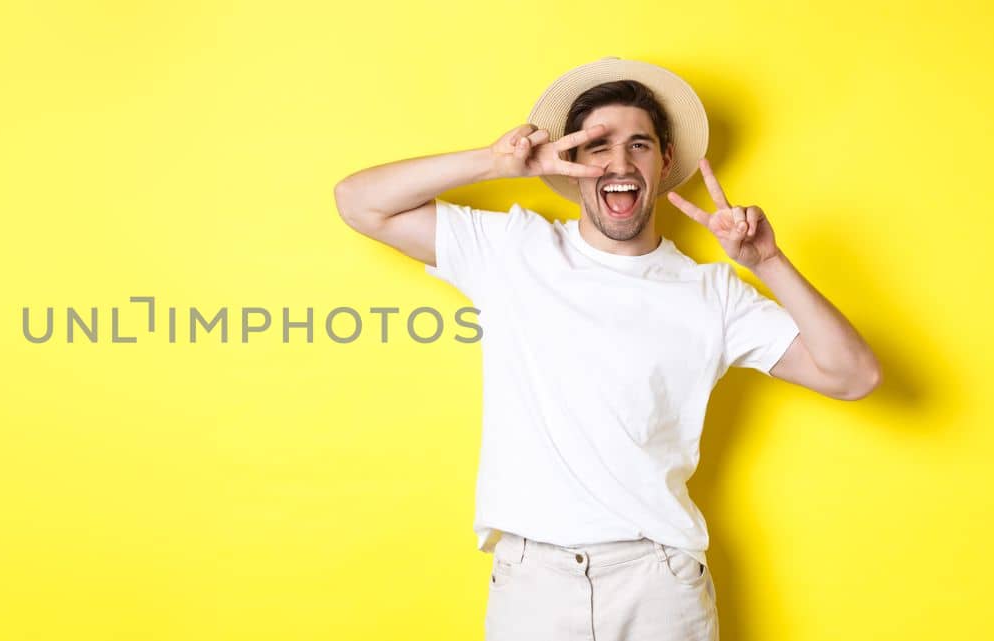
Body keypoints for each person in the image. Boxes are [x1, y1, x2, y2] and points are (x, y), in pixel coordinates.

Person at [330, 57, 880, 641]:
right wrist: (497, 163)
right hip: (531, 586)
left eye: (639, 145)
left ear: (665, 161)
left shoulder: (712, 293)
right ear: (572, 161)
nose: (619, 162)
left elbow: (854, 376)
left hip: (659, 585)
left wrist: (768, 262)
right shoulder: (513, 249)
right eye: (598, 145)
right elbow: (359, 202)